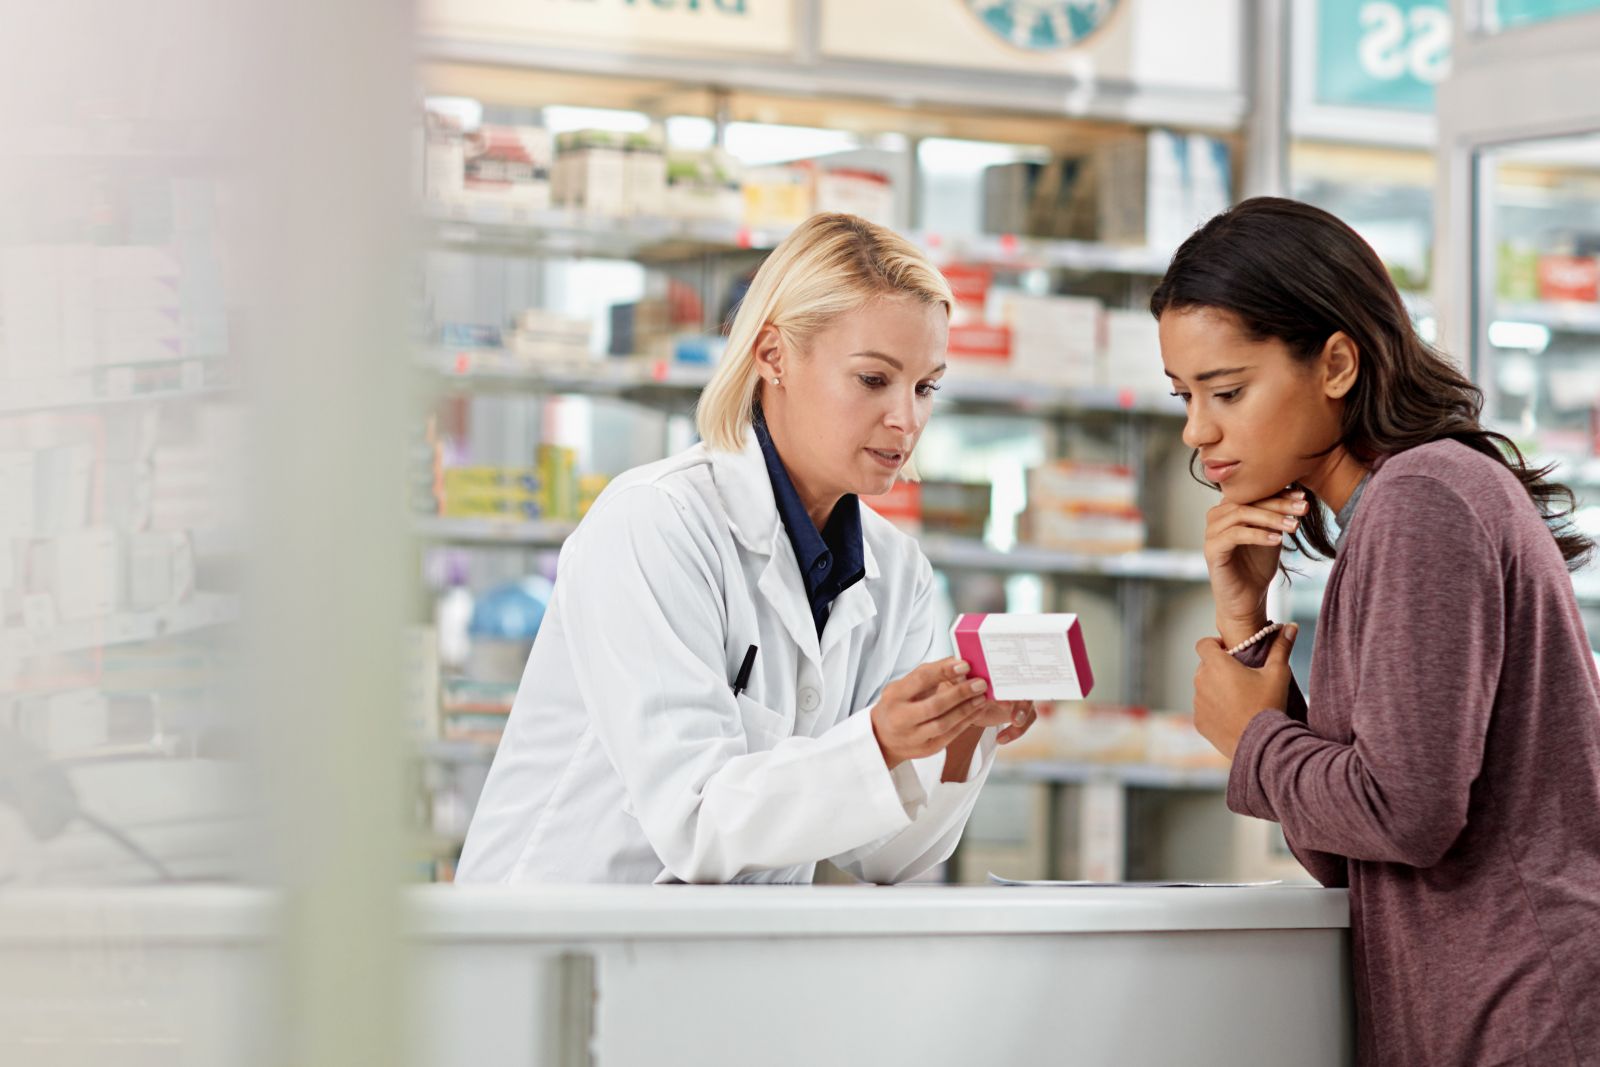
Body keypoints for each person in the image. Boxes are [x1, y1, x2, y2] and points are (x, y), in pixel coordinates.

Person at [457, 213, 1040, 885]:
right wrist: (878, 741)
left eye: (926, 386)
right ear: (773, 356)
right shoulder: (656, 523)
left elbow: (886, 855)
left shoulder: (898, 573)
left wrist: (959, 734)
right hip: (552, 940)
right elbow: (695, 818)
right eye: (874, 379)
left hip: (723, 956)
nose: (906, 418)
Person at [1155, 197, 1600, 1065]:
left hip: (1527, 1015)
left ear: (1336, 363)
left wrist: (1250, 735)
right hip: (1482, 1013)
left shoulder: (1423, 497)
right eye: (1186, 395)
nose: (1198, 431)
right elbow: (1342, 850)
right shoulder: (1397, 509)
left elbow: (1406, 815)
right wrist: (1245, 624)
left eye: (1228, 390)